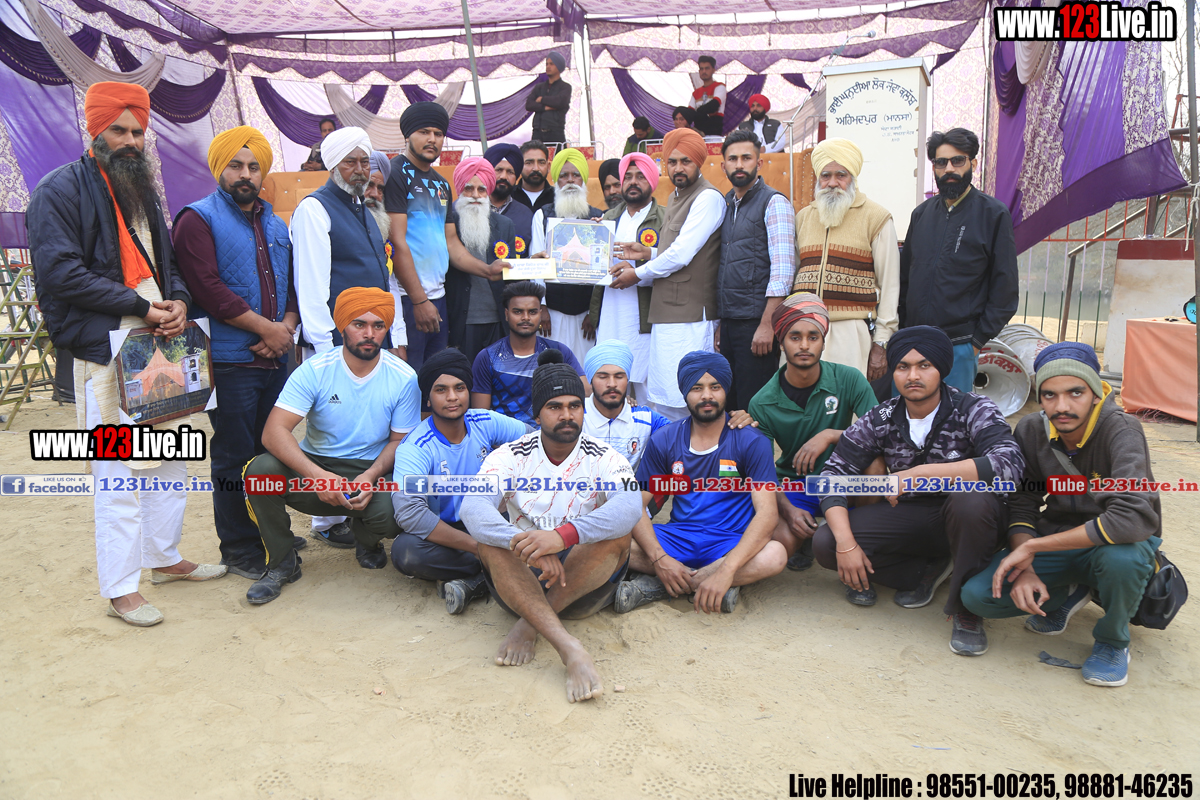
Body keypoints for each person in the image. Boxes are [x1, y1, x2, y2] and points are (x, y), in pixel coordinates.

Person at [27, 82, 225, 626]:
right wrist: (141, 306)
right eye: (119, 130)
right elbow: (61, 274)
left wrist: (178, 301)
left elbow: (169, 267)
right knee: (117, 475)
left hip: (161, 349)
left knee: (171, 460)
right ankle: (121, 589)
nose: (131, 141)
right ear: (95, 132)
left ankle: (163, 558)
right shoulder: (58, 191)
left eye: (138, 132)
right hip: (105, 353)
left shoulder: (143, 192)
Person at [812, 326, 1025, 655]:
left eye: (924, 365)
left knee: (970, 501)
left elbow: (1010, 464)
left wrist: (918, 475)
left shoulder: (972, 408)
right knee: (826, 543)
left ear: (941, 369)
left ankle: (966, 609)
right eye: (903, 366)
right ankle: (926, 570)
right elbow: (832, 475)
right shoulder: (882, 416)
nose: (913, 375)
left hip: (973, 518)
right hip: (913, 517)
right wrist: (845, 544)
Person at [961, 343, 1161, 685]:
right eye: (1049, 395)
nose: (1062, 406)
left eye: (1075, 393)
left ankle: (1113, 642)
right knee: (977, 597)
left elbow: (1130, 518)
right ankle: (1068, 591)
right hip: (1057, 537)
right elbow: (1023, 500)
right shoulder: (1031, 430)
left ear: (1095, 394)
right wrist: (1025, 566)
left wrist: (1033, 548)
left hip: (1115, 543)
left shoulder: (1122, 430)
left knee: (1122, 561)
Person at [460, 350, 641, 703]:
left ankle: (530, 625)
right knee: (489, 541)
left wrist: (561, 537)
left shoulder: (605, 457)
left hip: (583, 587)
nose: (567, 415)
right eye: (555, 407)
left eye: (574, 406)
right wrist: (526, 544)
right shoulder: (510, 455)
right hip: (522, 581)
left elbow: (631, 506)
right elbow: (473, 507)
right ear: (537, 414)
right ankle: (569, 647)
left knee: (619, 533)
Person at [173, 126, 303, 580]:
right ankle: (239, 547)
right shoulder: (197, 219)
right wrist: (266, 329)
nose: (245, 174)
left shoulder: (276, 224)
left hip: (275, 358)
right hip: (230, 361)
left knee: (272, 451)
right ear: (219, 169)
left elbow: (291, 286)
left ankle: (271, 532)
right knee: (233, 455)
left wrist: (285, 328)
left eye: (253, 166)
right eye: (236, 165)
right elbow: (207, 288)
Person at [243, 288, 420, 604]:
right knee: (260, 472)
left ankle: (366, 540)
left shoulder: (404, 377)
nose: (369, 334)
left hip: (370, 470)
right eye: (359, 324)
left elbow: (399, 441)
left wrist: (371, 476)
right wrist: (317, 476)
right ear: (342, 326)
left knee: (396, 509)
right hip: (315, 467)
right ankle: (282, 562)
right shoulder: (315, 370)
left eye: (378, 325)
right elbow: (273, 432)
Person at [616, 351, 786, 614]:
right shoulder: (665, 439)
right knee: (611, 540)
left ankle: (666, 585)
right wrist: (660, 559)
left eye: (715, 387)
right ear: (685, 393)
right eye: (697, 388)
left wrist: (727, 568)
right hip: (677, 537)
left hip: (729, 543)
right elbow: (636, 505)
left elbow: (767, 514)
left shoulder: (752, 441)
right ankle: (706, 583)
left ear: (726, 390)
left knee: (775, 555)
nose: (707, 395)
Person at [291, 126, 391, 548]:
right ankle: (327, 520)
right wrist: (324, 348)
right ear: (333, 165)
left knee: (366, 424)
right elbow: (311, 285)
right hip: (334, 344)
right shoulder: (315, 209)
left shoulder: (363, 208)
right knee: (331, 426)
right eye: (350, 161)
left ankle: (357, 507)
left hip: (369, 337)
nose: (359, 169)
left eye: (364, 161)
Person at [737, 294, 878, 569]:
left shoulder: (849, 378)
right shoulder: (762, 401)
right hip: (796, 484)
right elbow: (761, 471)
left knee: (875, 462)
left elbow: (881, 434)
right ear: (781, 342)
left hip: (846, 481)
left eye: (813, 337)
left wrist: (831, 435)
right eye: (795, 337)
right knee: (781, 541)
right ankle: (804, 534)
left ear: (823, 342)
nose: (804, 345)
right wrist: (788, 510)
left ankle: (863, 534)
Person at [391, 349, 529, 615]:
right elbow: (409, 511)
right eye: (441, 390)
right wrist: (477, 548)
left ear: (468, 391)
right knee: (406, 552)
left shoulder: (484, 421)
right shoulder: (416, 446)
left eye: (460, 388)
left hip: (495, 521)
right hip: (450, 533)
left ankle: (475, 581)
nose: (452, 397)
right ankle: (499, 565)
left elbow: (534, 440)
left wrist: (510, 468)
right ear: (428, 398)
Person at [608, 128, 724, 421]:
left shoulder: (707, 198)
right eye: (672, 162)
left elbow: (681, 255)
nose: (678, 168)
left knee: (687, 399)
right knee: (664, 399)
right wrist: (647, 253)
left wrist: (637, 273)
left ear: (699, 162)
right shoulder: (675, 196)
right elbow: (675, 252)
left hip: (691, 317)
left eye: (686, 161)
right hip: (667, 313)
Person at [385, 102, 506, 371]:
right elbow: (397, 242)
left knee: (436, 378)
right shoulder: (395, 174)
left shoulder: (441, 183)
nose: (432, 139)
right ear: (407, 135)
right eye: (424, 132)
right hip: (407, 299)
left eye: (438, 134)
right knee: (410, 379)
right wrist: (419, 300)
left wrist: (487, 270)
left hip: (438, 298)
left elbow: (451, 242)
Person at [899, 128, 1019, 393]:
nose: (949, 169)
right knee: (909, 415)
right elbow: (905, 278)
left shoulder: (993, 214)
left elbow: (1005, 288)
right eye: (941, 162)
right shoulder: (921, 215)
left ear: (972, 164)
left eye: (958, 160)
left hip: (959, 346)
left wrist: (975, 342)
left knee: (953, 416)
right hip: (913, 345)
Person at [791, 138, 899, 380]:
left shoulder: (876, 217)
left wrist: (881, 341)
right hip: (803, 330)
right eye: (825, 175)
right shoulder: (803, 217)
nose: (832, 183)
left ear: (853, 177)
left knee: (844, 400)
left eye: (841, 175)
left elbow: (890, 286)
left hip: (851, 332)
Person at [716, 129, 795, 411]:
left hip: (757, 324)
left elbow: (783, 270)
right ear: (723, 165)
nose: (739, 165)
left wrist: (767, 325)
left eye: (746, 158)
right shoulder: (726, 203)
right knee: (729, 406)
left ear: (759, 163)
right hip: (730, 323)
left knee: (755, 410)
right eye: (733, 159)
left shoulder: (774, 202)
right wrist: (721, 323)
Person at [590, 152, 664, 403]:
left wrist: (638, 273)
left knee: (645, 387)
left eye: (640, 176)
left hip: (645, 315)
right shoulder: (607, 219)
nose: (633, 182)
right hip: (610, 312)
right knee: (611, 379)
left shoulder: (665, 218)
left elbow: (673, 265)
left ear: (652, 181)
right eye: (628, 177)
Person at [470, 281, 585, 427]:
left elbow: (585, 393)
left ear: (540, 314)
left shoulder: (559, 352)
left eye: (532, 312)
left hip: (550, 438)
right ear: (506, 314)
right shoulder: (488, 357)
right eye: (518, 312)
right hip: (503, 439)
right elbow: (481, 419)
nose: (526, 317)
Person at [531, 148, 601, 361]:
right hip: (552, 312)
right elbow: (537, 264)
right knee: (553, 365)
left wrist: (593, 312)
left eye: (576, 175)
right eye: (563, 175)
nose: (570, 180)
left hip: (585, 314)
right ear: (556, 181)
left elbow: (602, 270)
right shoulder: (542, 215)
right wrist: (541, 307)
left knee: (584, 367)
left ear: (583, 180)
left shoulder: (598, 218)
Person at [444, 157, 516, 364]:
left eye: (481, 189)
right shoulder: (448, 223)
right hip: (461, 321)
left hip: (497, 320)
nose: (475, 195)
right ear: (459, 189)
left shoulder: (505, 224)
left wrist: (533, 263)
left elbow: (511, 273)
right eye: (469, 189)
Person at [581, 340, 668, 472]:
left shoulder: (646, 419)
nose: (612, 384)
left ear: (627, 380)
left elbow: (680, 438)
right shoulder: (574, 414)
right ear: (590, 380)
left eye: (619, 376)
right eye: (603, 377)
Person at [484, 143, 535, 259]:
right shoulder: (472, 208)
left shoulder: (526, 215)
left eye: (510, 172)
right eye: (499, 170)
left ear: (516, 177)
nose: (504, 176)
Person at [526, 52, 572, 145]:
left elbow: (560, 102)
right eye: (547, 64)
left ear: (559, 66)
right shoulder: (539, 87)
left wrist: (542, 99)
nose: (548, 67)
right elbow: (529, 105)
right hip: (537, 132)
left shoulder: (565, 87)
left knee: (558, 155)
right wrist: (545, 107)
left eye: (551, 64)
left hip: (555, 132)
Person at [512, 140, 555, 213]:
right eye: (529, 163)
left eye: (541, 163)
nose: (536, 168)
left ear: (548, 167)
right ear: (519, 166)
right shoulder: (509, 197)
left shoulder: (557, 197)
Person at [688, 56, 727, 136]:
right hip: (698, 135)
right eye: (701, 69)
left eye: (707, 68)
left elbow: (714, 105)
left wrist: (698, 112)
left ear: (713, 70)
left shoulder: (720, 87)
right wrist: (705, 113)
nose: (704, 71)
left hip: (714, 134)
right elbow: (689, 114)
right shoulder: (696, 93)